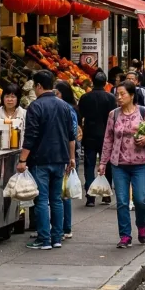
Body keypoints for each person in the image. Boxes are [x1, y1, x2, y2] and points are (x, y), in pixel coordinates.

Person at [18, 70, 77, 250]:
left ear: (38, 86)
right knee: (57, 199)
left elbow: (31, 136)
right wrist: (72, 157)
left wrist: (22, 160)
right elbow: (71, 135)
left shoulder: (35, 107)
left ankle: (44, 239)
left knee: (42, 200)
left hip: (40, 159)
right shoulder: (65, 106)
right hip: (60, 158)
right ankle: (56, 237)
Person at [98, 80, 145, 248]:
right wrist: (103, 162)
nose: (119, 97)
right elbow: (108, 139)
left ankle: (141, 225)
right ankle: (125, 235)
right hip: (119, 164)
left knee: (140, 199)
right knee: (122, 201)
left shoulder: (144, 113)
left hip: (141, 163)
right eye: (117, 94)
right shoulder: (113, 115)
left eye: (122, 94)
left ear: (131, 96)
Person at [77, 72, 116, 207]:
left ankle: (90, 196)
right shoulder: (111, 98)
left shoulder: (85, 97)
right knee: (107, 164)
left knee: (89, 165)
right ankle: (106, 194)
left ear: (92, 82)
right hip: (107, 135)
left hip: (90, 135)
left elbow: (80, 114)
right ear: (105, 83)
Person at [55, 80, 80, 240]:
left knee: (64, 192)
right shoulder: (67, 108)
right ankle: (64, 227)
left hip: (65, 152)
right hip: (66, 152)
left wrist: (71, 157)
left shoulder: (67, 109)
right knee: (62, 191)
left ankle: (66, 227)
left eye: (56, 93)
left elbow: (71, 134)